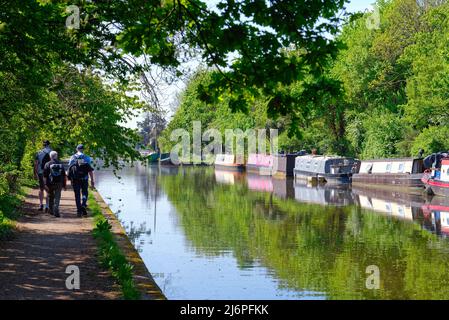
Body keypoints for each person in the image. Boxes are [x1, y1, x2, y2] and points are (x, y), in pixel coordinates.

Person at [67, 144, 95, 217]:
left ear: (77, 149)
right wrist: (92, 180)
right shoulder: (87, 158)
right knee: (85, 193)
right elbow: (90, 170)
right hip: (84, 178)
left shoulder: (72, 157)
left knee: (77, 194)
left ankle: (79, 210)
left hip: (75, 179)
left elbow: (69, 168)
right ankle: (83, 204)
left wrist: (68, 178)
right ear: (83, 149)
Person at [43, 151, 67, 218]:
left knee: (51, 196)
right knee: (57, 197)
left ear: (50, 156)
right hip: (59, 183)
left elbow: (45, 175)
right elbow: (64, 176)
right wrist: (64, 185)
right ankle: (56, 210)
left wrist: (45, 184)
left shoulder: (47, 164)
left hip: (50, 183)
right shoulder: (60, 164)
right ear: (56, 156)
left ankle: (51, 210)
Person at [34, 140, 52, 212]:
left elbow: (36, 164)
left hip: (41, 172)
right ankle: (47, 206)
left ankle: (41, 204)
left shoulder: (39, 152)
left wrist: (35, 173)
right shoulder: (52, 152)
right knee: (48, 189)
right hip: (49, 173)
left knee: (41, 189)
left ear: (43, 145)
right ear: (49, 145)